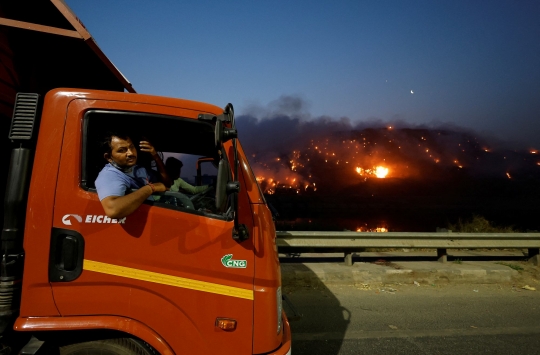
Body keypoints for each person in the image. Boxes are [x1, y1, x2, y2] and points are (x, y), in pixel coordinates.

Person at [95, 132, 171, 219]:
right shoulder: (109, 175)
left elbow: (166, 184)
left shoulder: (137, 169)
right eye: (122, 150)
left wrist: (155, 156)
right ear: (108, 157)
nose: (131, 153)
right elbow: (113, 210)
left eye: (131, 147)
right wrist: (150, 188)